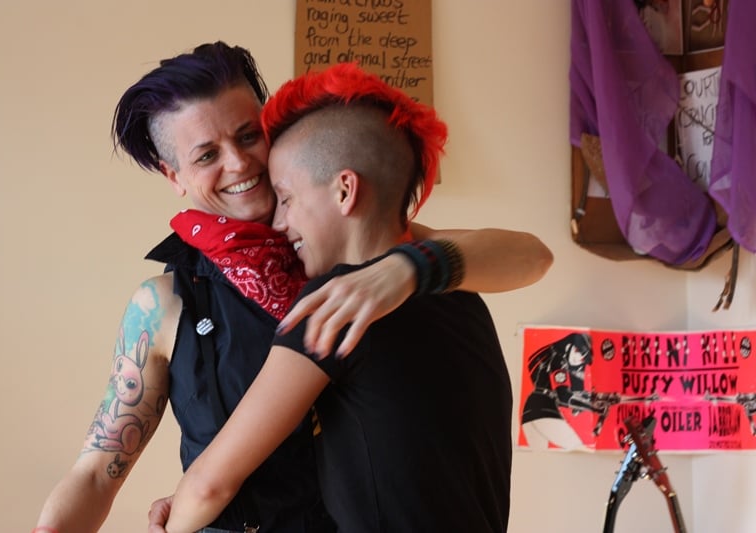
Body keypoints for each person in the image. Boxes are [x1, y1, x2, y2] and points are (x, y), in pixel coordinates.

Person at [34, 43, 553, 533]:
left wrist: (404, 271)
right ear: (175, 176)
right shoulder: (164, 305)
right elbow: (98, 473)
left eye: (245, 135)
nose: (237, 164)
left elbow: (531, 255)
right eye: (206, 155)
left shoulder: (355, 246)